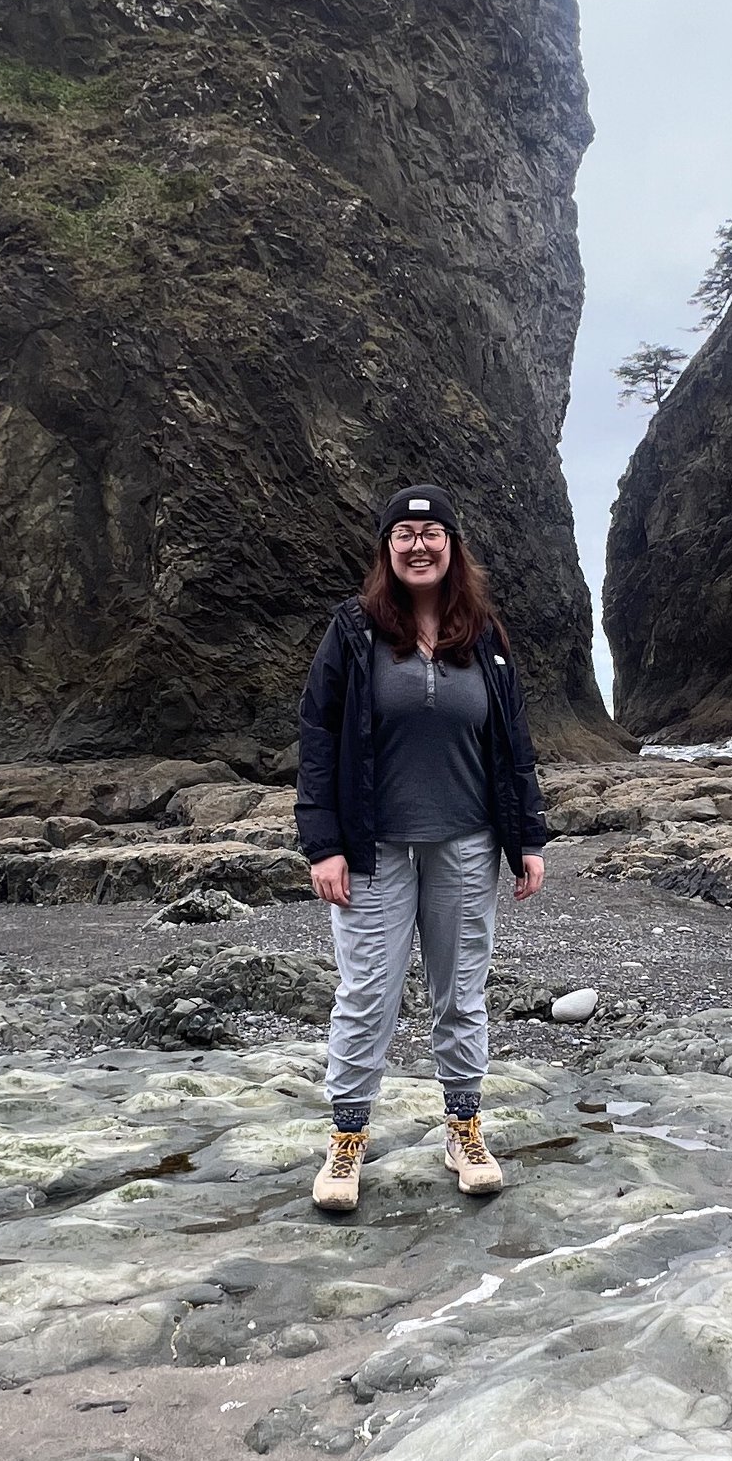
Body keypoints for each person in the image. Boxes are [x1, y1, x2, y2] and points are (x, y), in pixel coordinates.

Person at [294, 487, 549, 1214]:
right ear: (386, 549)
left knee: (461, 992)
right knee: (368, 991)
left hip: (468, 843)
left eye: (430, 532)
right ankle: (346, 1140)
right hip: (372, 847)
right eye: (403, 533)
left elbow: (514, 744)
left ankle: (464, 1130)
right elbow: (317, 737)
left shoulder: (486, 636)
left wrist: (527, 836)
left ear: (452, 545)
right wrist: (325, 844)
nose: (417, 545)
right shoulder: (351, 631)